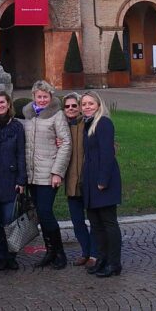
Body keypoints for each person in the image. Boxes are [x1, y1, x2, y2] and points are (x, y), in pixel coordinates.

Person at [21, 79, 71, 269]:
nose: (42, 100)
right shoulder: (28, 115)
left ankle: (59, 252)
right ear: (33, 96)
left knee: (45, 212)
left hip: (48, 173)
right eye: (39, 96)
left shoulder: (57, 115)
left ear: (50, 97)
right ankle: (50, 251)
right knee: (41, 215)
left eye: (45, 97)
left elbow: (65, 143)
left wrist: (57, 172)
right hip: (32, 174)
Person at [79, 91, 123, 278]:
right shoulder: (87, 124)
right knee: (96, 224)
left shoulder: (103, 123)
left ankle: (114, 263)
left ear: (98, 105)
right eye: (84, 104)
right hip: (90, 181)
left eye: (91, 103)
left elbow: (107, 153)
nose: (87, 107)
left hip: (103, 181)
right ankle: (102, 259)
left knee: (108, 223)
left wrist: (103, 180)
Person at [0, 90, 26, 271]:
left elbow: (21, 154)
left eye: (2, 102)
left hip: (10, 180)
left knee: (10, 221)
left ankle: (11, 256)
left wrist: (21, 179)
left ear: (8, 104)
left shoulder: (17, 126)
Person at [61, 92, 98, 267]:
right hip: (71, 181)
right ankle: (85, 251)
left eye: (74, 105)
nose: (71, 109)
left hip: (89, 180)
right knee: (77, 221)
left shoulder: (90, 123)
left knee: (95, 220)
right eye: (67, 106)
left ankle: (95, 253)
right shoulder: (61, 126)